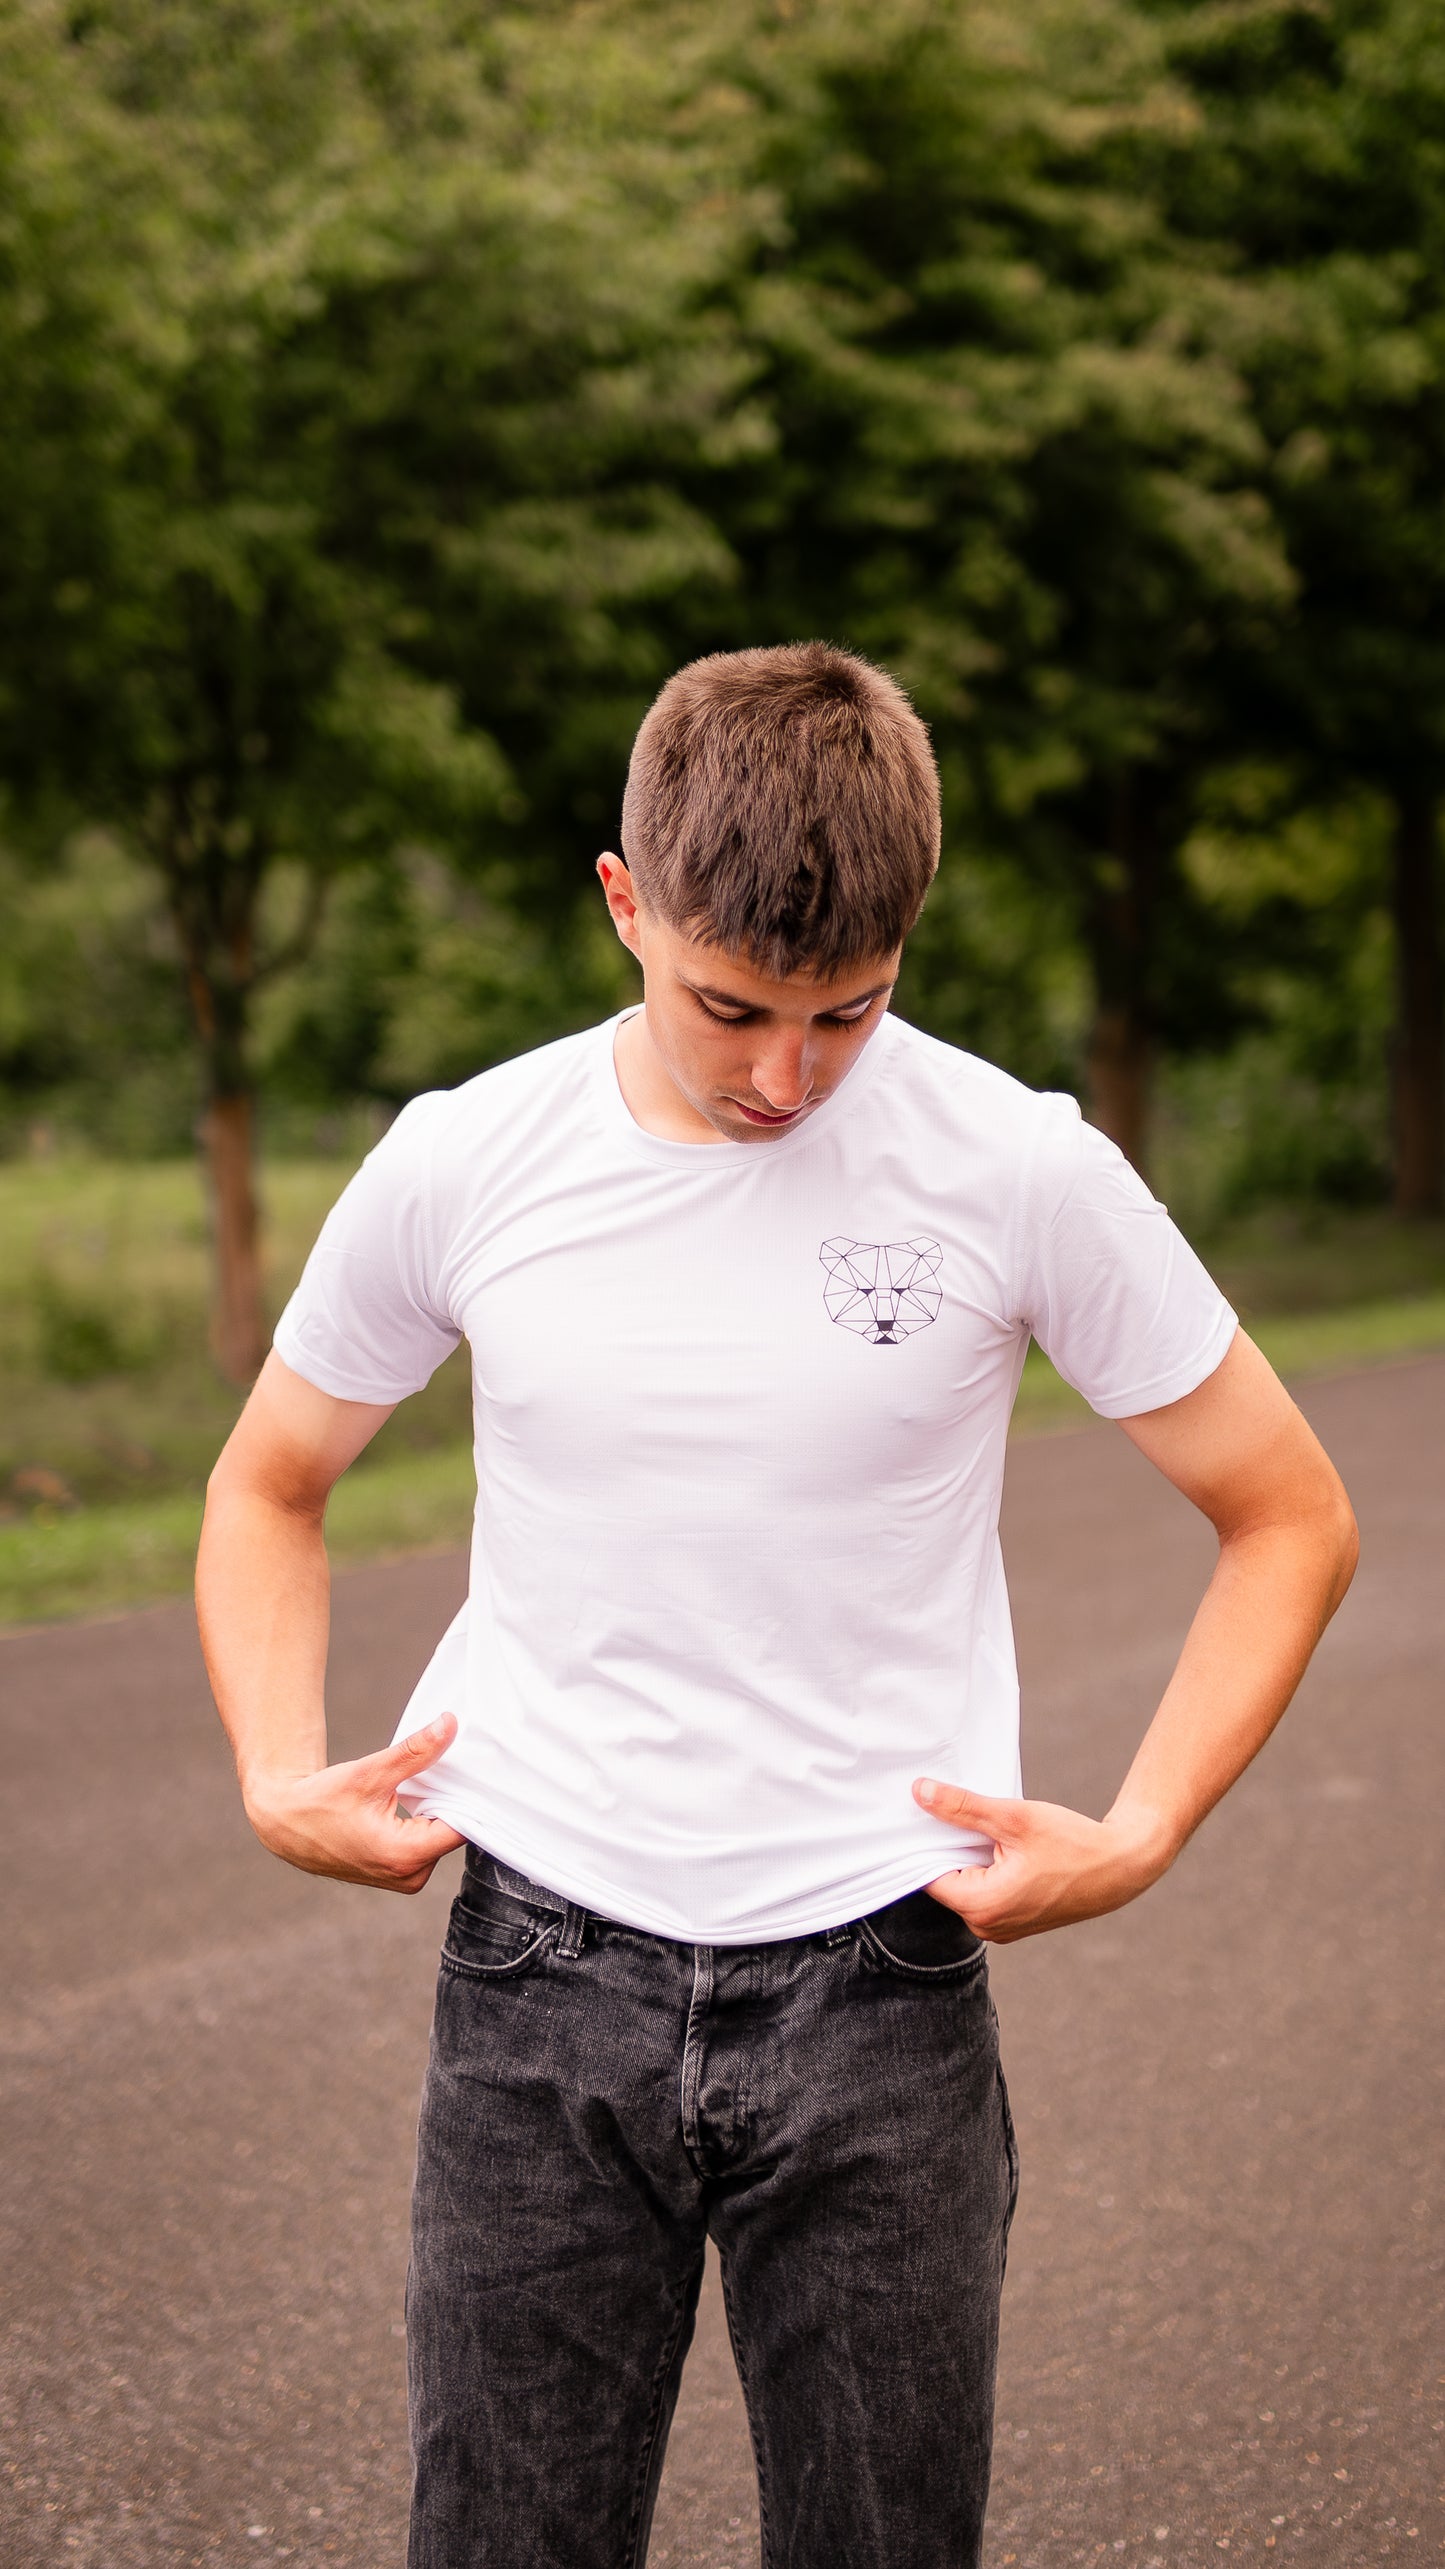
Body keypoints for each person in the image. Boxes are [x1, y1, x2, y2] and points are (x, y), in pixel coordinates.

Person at [196, 643, 1357, 2569]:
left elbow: (1287, 1511)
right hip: (538, 1978)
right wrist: (267, 1764)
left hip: (880, 1987)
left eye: (850, 1014)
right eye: (730, 1006)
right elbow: (266, 1481)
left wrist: (1140, 1829)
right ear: (623, 901)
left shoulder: (1014, 1163)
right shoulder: (467, 1157)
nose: (784, 1077)